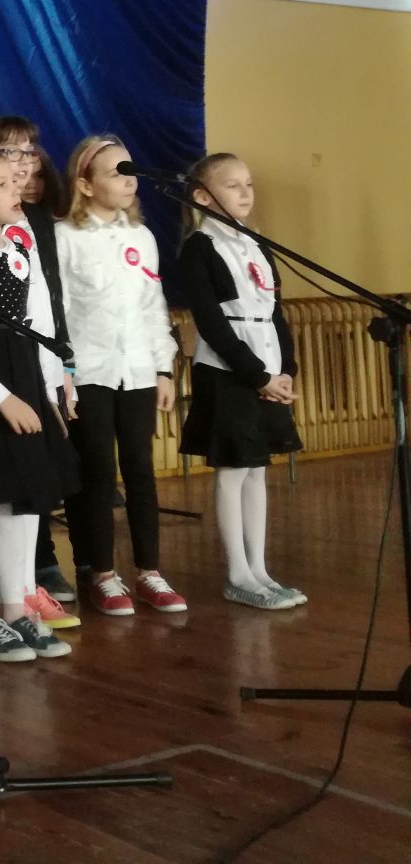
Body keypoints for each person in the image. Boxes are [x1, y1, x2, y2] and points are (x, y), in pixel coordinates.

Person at [0, 148, 81, 664]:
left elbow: (38, 320)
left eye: (18, 181)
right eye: (3, 184)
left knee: (24, 498)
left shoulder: (16, 241)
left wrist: (51, 390)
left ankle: (16, 607)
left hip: (25, 368)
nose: (18, 190)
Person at [56, 135, 187, 616]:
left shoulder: (142, 237)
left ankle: (149, 571)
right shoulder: (65, 237)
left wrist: (162, 368)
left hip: (136, 370)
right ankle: (103, 574)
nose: (129, 179)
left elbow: (152, 306)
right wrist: (63, 373)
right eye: (116, 172)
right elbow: (58, 312)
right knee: (97, 471)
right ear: (85, 185)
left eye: (131, 170)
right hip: (89, 370)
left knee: (140, 469)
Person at [178, 153, 305, 609]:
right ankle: (237, 573)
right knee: (234, 469)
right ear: (202, 196)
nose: (245, 192)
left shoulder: (256, 244)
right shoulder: (199, 247)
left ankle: (260, 570)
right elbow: (211, 322)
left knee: (256, 469)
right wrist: (255, 375)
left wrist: (285, 370)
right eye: (232, 185)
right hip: (228, 370)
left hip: (267, 365)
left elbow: (275, 313)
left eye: (248, 184)